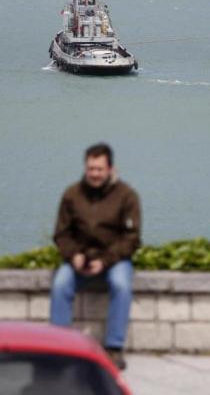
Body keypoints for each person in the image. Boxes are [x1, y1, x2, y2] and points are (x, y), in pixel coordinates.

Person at [50, 143, 141, 370]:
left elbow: (132, 238)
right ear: (85, 167)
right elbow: (61, 233)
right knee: (60, 283)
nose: (95, 174)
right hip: (78, 259)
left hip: (114, 260)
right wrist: (74, 256)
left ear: (110, 169)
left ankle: (114, 348)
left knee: (121, 285)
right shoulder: (71, 195)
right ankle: (59, 346)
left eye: (99, 169)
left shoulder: (127, 196)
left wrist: (106, 261)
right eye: (91, 168)